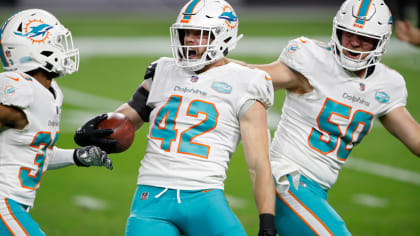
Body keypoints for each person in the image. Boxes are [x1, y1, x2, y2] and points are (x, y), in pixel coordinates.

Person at [73, 0, 277, 235]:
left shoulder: (247, 82)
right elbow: (130, 115)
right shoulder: (162, 70)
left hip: (204, 196)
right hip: (151, 198)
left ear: (224, 37)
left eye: (199, 33)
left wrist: (267, 222)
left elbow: (259, 164)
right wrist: (97, 129)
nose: (189, 39)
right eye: (185, 32)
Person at [229, 0, 420, 235]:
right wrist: (213, 64)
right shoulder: (311, 59)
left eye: (364, 37)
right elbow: (250, 75)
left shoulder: (387, 85)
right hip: (288, 180)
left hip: (316, 190)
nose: (354, 42)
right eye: (347, 33)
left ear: (381, 41)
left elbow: (416, 139)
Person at [0, 9, 113, 235]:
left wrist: (76, 156)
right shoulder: (19, 87)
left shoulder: (49, 93)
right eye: (56, 42)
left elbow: (35, 153)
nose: (62, 48)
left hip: (15, 204)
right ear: (33, 47)